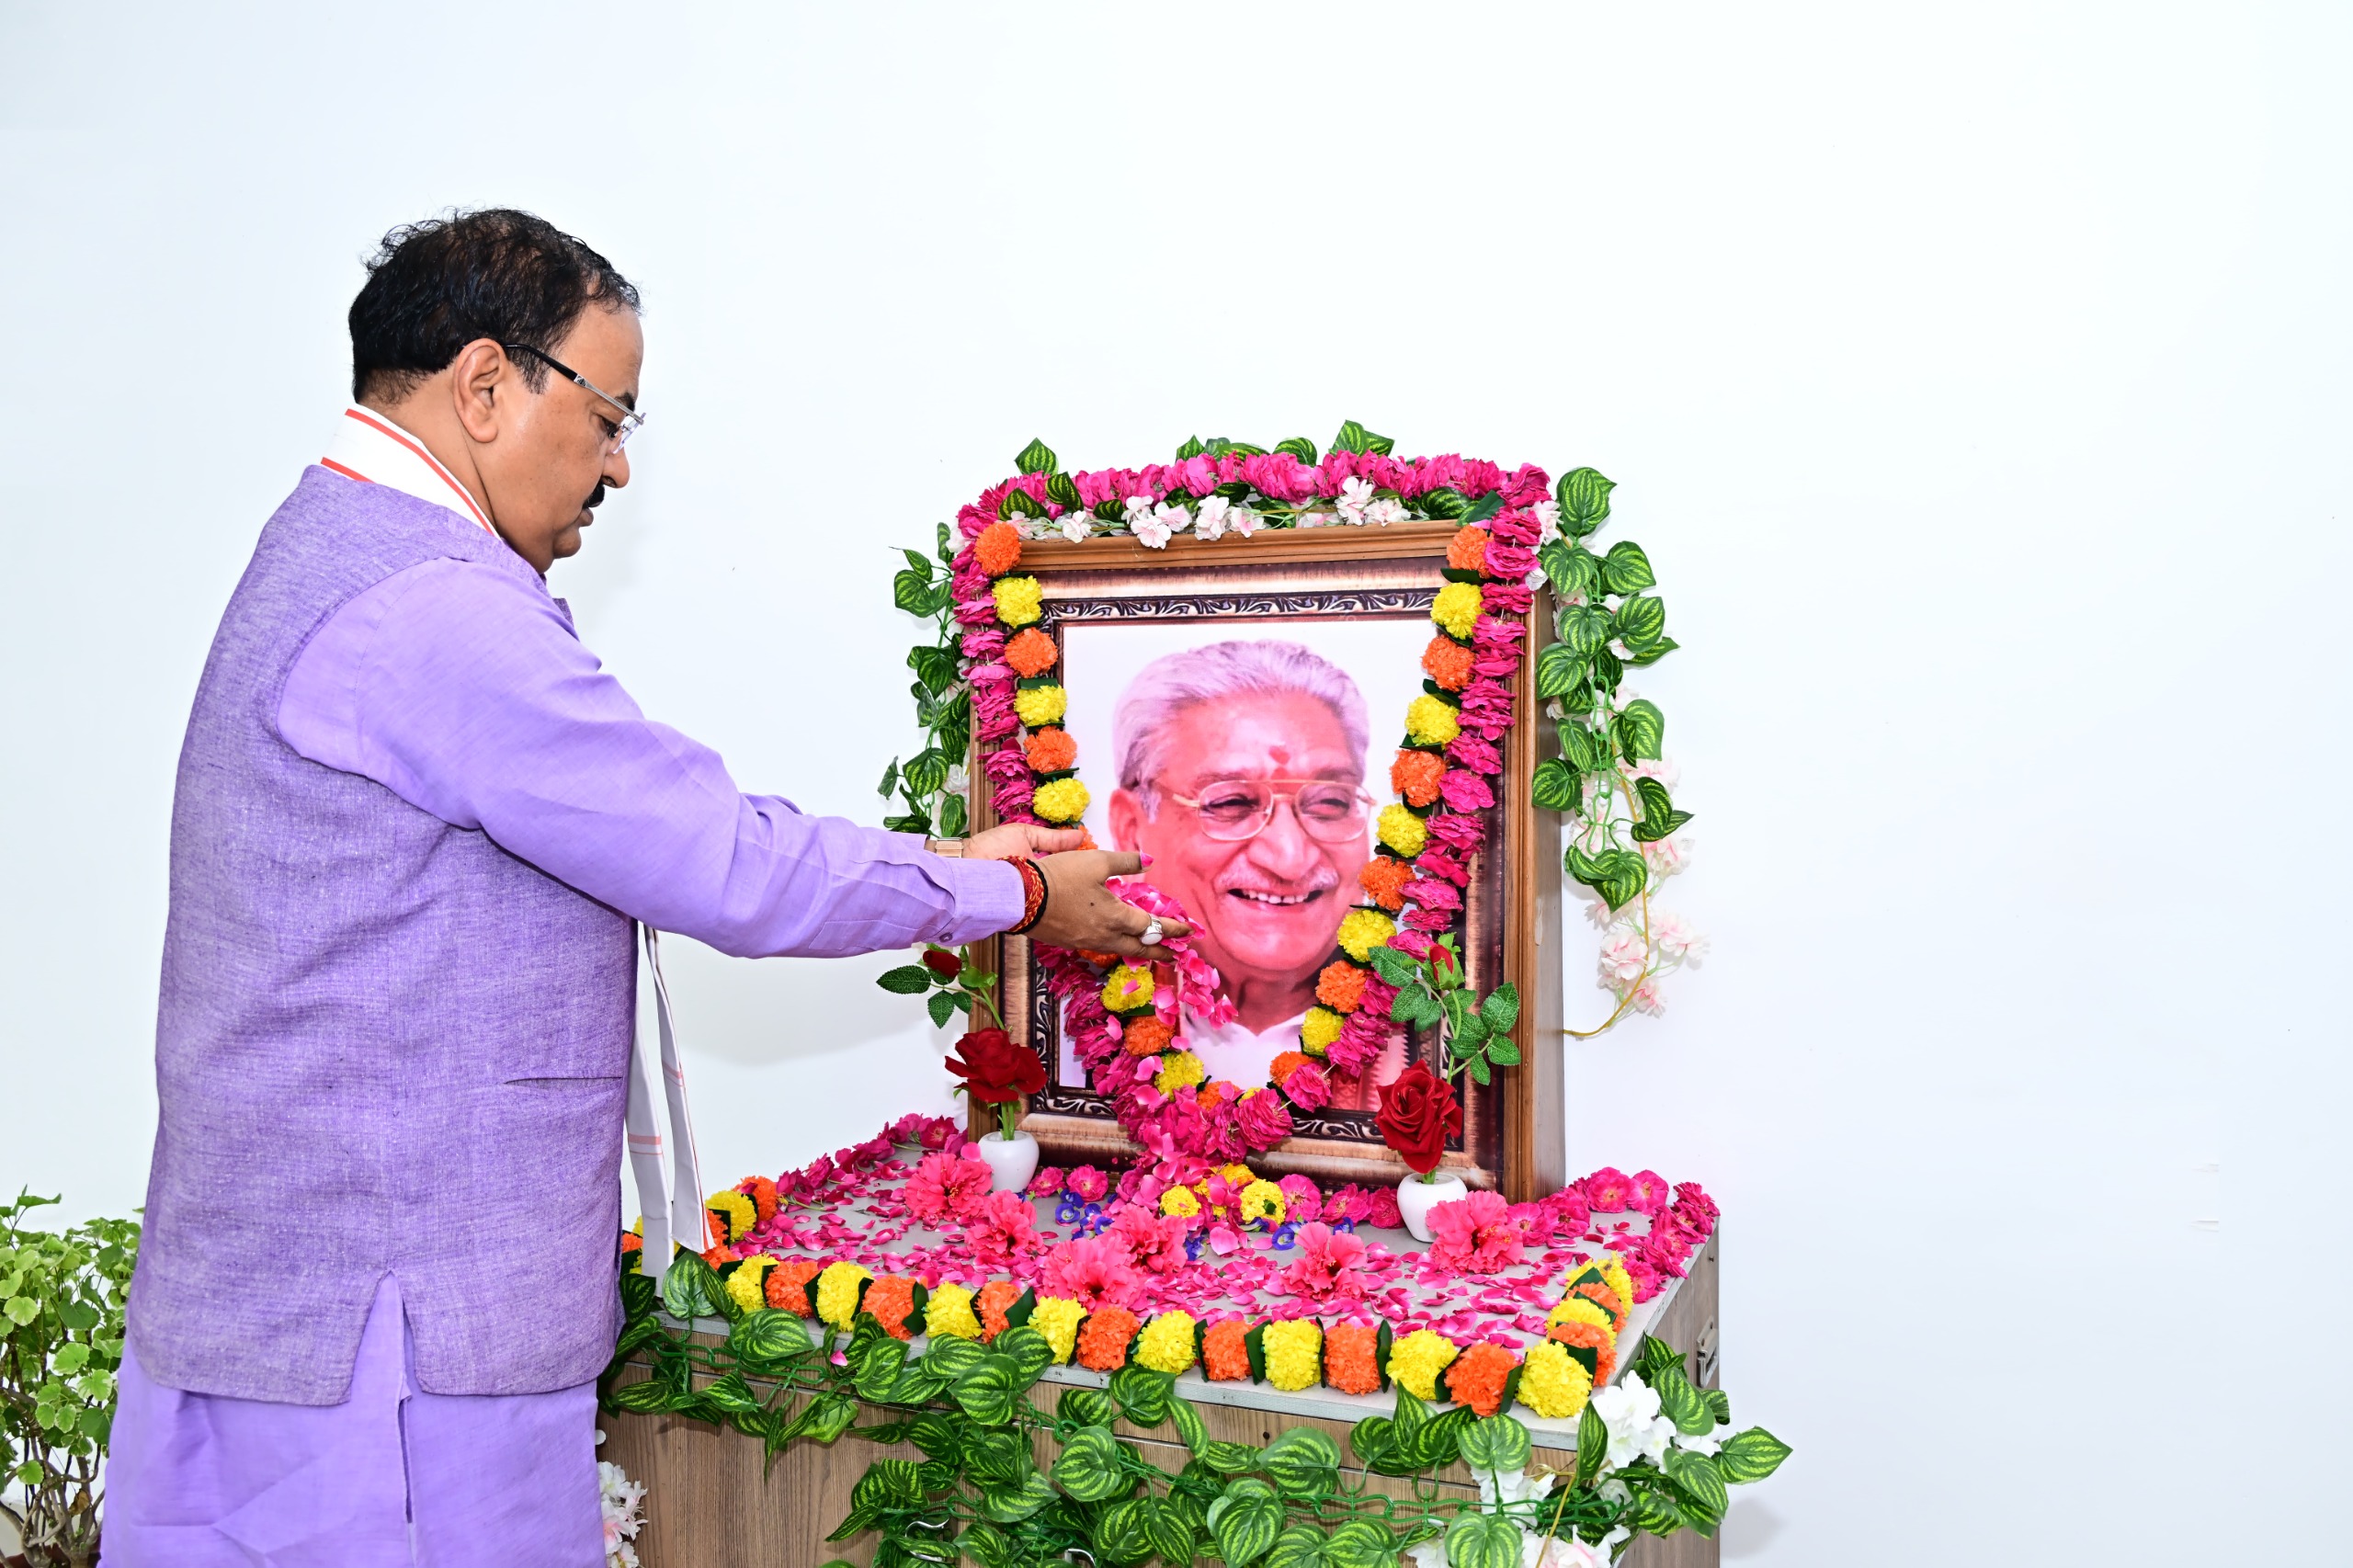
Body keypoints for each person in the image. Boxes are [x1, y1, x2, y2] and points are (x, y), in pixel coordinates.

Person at [101, 208, 1179, 1568]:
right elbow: (716, 859)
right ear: (486, 387)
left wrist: (955, 864)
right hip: (392, 1347)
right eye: (610, 415)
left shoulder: (329, 547)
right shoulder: (430, 607)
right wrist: (1009, 901)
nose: (615, 465)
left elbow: (663, 827)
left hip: (299, 1312)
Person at [1105, 640, 1407, 1110]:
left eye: (1330, 802)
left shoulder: (1438, 1018)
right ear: (1131, 830)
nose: (1290, 859)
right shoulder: (1073, 1017)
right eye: (1230, 803)